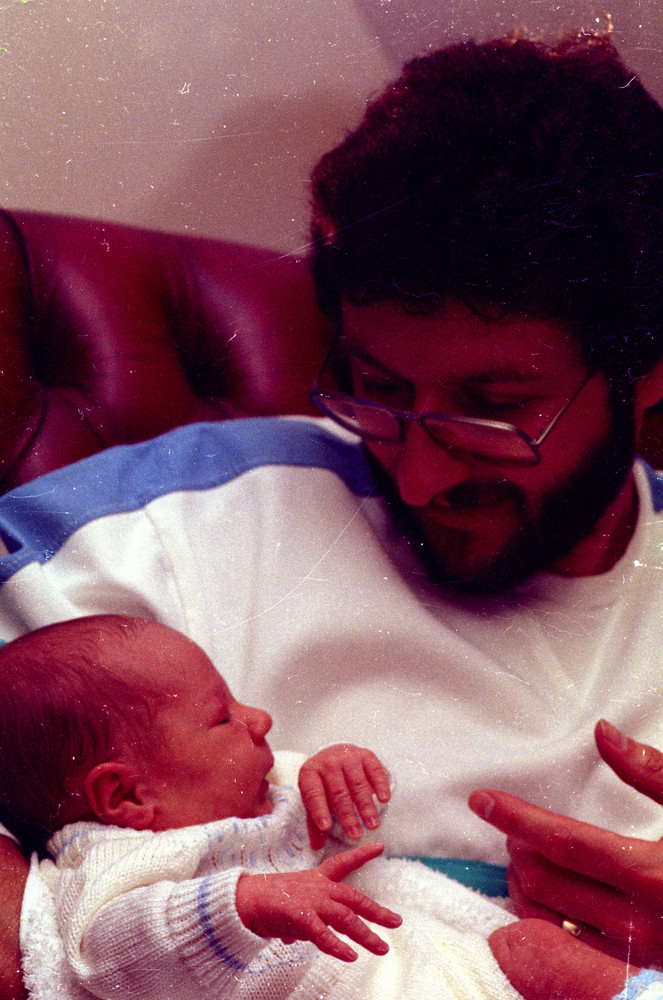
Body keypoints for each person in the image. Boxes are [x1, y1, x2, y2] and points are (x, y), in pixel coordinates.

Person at [0, 28, 662, 1000]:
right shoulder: (171, 524)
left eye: (492, 410)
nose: (421, 478)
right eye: (378, 387)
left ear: (647, 375)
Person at [6, 614, 522, 1000]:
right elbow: (106, 953)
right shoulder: (114, 860)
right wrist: (242, 905)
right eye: (221, 717)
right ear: (127, 796)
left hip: (422, 969)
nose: (260, 718)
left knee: (532, 948)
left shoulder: (260, 791)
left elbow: (342, 834)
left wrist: (340, 778)